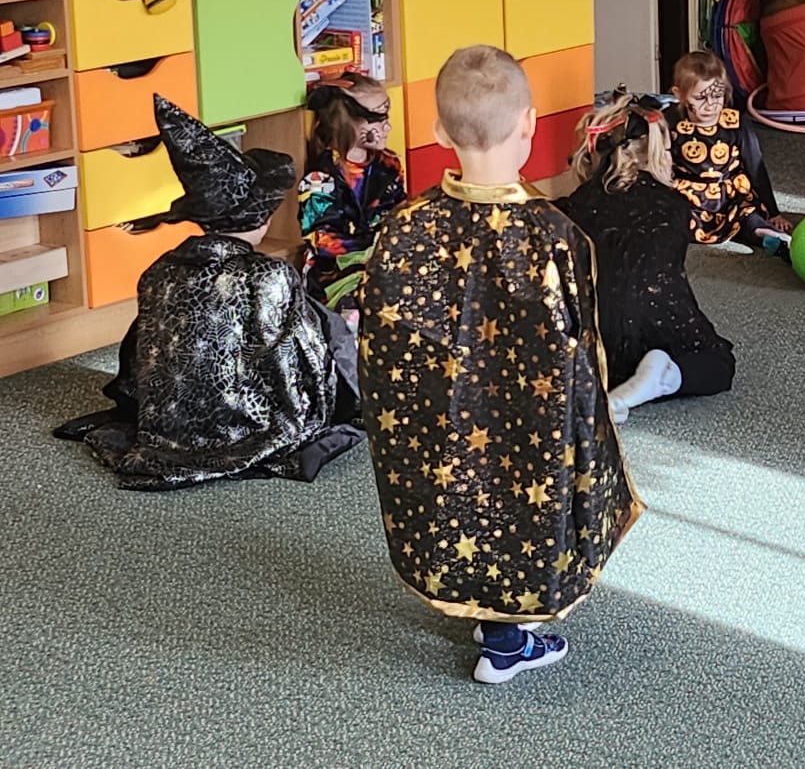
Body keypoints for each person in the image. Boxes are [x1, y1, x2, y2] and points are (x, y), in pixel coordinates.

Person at [360, 45, 647, 685]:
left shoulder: (405, 227)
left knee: (464, 490)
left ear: (439, 132)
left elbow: (382, 342)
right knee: (523, 497)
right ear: (529, 123)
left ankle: (485, 610)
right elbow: (581, 344)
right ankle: (507, 642)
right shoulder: (554, 234)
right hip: (531, 415)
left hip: (442, 411)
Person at [55, 96, 361, 489]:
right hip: (246, 422)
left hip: (167, 419)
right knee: (320, 320)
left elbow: (142, 347)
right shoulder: (268, 274)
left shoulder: (160, 269)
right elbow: (294, 358)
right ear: (261, 219)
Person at [560, 86, 738, 418]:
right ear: (654, 154)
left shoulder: (574, 205)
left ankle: (609, 385)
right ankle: (664, 377)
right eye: (668, 150)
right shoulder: (674, 205)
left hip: (595, 343)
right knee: (719, 362)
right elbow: (664, 282)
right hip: (654, 322)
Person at [298, 75, 406, 309]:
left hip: (386, 261)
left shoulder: (389, 165)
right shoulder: (321, 178)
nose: (387, 128)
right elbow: (322, 240)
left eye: (386, 119)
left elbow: (400, 212)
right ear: (346, 122)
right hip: (336, 274)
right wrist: (372, 247)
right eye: (376, 121)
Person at [667, 49, 790, 246]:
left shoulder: (736, 124)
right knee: (671, 219)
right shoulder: (670, 124)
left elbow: (755, 168)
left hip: (730, 196)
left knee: (748, 216)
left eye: (717, 96)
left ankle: (767, 236)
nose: (710, 105)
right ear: (679, 95)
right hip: (689, 198)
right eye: (700, 98)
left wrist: (774, 212)